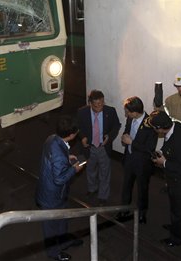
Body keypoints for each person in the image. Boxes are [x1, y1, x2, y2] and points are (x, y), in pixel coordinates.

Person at [35, 115, 85, 261]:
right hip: (51, 197)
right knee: (50, 226)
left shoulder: (52, 138)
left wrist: (67, 157)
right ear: (71, 135)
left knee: (62, 219)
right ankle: (54, 253)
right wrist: (74, 170)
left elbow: (56, 156)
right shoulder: (59, 155)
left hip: (55, 194)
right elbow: (59, 179)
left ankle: (64, 242)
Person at [149, 110, 181, 247]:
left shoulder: (180, 140)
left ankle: (177, 238)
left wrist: (164, 163)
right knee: (176, 208)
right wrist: (161, 152)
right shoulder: (175, 126)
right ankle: (176, 226)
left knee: (178, 210)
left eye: (154, 129)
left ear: (159, 128)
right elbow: (169, 145)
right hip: (174, 179)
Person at [115, 96, 158, 224]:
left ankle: (141, 213)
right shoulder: (130, 118)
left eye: (127, 112)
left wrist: (132, 143)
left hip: (142, 163)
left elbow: (150, 148)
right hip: (129, 159)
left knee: (142, 189)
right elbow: (127, 130)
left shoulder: (151, 123)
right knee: (126, 186)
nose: (126, 114)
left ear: (135, 112)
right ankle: (124, 209)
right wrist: (124, 136)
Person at [76, 90, 121, 206]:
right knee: (90, 170)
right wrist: (83, 137)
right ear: (90, 103)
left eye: (101, 103)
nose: (99, 107)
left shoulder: (110, 111)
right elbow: (78, 127)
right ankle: (92, 189)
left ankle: (103, 196)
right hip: (89, 147)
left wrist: (109, 136)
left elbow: (117, 125)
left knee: (105, 172)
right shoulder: (82, 112)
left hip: (103, 147)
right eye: (96, 105)